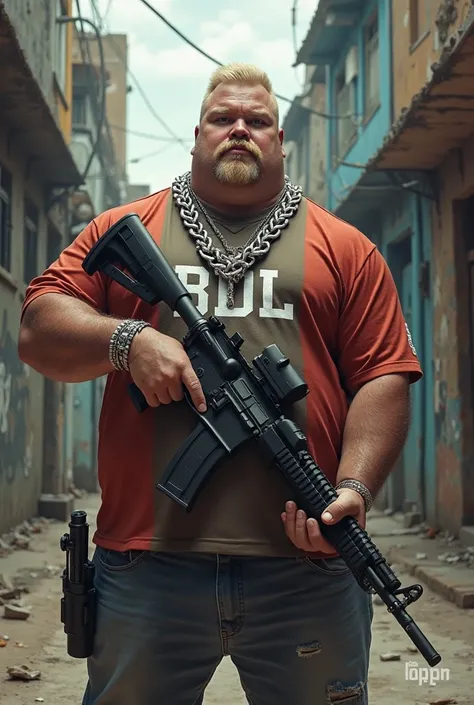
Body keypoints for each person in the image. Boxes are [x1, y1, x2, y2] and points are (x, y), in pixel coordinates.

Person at [18, 63, 422, 705]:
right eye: (223, 119)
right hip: (146, 561)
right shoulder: (128, 228)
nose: (240, 130)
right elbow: (39, 327)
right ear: (196, 135)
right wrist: (128, 340)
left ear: (280, 138)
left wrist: (352, 488)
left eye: (257, 120)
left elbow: (384, 374)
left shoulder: (346, 248)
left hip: (307, 567)